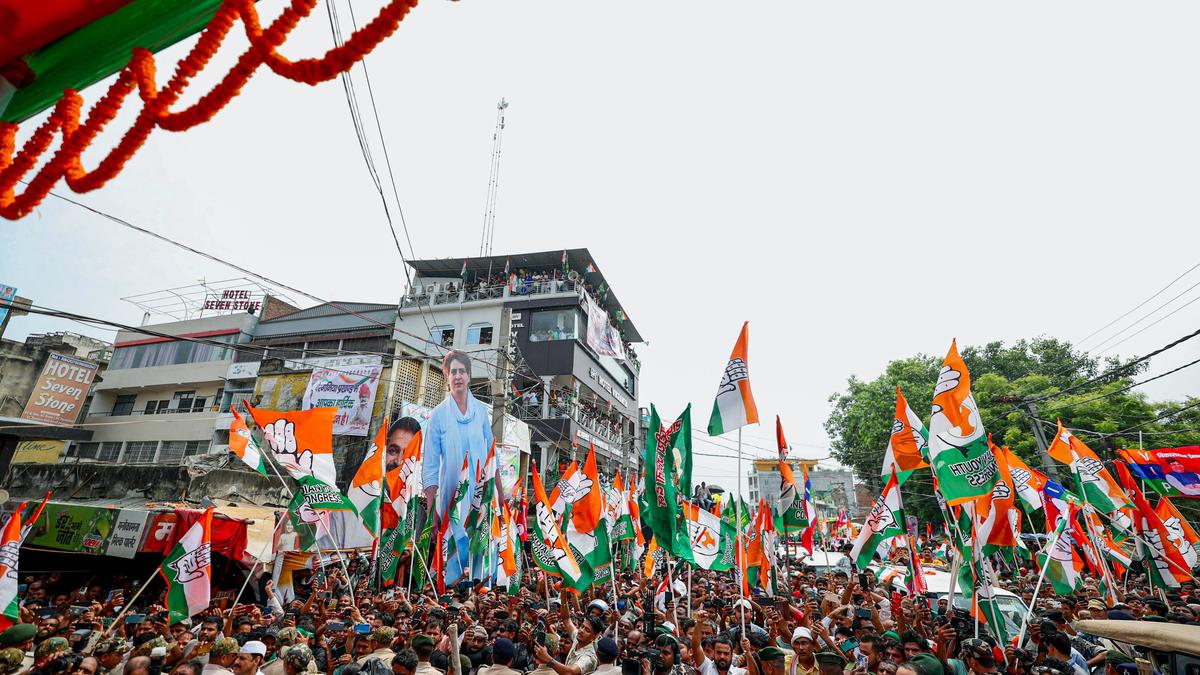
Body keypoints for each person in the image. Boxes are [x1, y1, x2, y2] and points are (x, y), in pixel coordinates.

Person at [421, 350, 496, 583]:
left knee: (481, 556)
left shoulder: (481, 412)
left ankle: (480, 592)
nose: (458, 376)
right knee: (453, 557)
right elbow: (430, 466)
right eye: (453, 372)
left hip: (481, 498)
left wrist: (501, 499)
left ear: (469, 376)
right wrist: (432, 511)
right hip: (451, 499)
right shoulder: (438, 415)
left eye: (462, 371)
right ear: (447, 376)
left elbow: (492, 456)